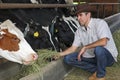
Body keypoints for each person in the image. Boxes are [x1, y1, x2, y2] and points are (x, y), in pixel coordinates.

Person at [53, 4, 118, 80]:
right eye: (77, 16)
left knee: (98, 49)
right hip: (92, 57)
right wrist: (60, 54)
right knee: (68, 58)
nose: (78, 18)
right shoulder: (79, 30)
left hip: (107, 58)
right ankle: (96, 70)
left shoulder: (100, 23)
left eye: (80, 15)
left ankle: (100, 76)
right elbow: (73, 48)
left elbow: (104, 42)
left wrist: (85, 47)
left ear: (88, 15)